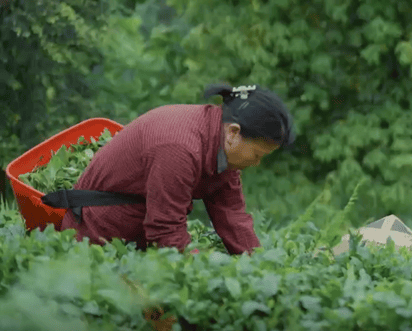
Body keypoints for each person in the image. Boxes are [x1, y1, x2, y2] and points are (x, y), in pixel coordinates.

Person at [51, 83, 295, 255]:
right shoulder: (179, 148)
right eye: (257, 154)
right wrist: (205, 265)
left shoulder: (220, 147)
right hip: (95, 239)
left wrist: (258, 262)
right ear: (233, 132)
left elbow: (232, 215)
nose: (256, 163)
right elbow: (165, 230)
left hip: (133, 238)